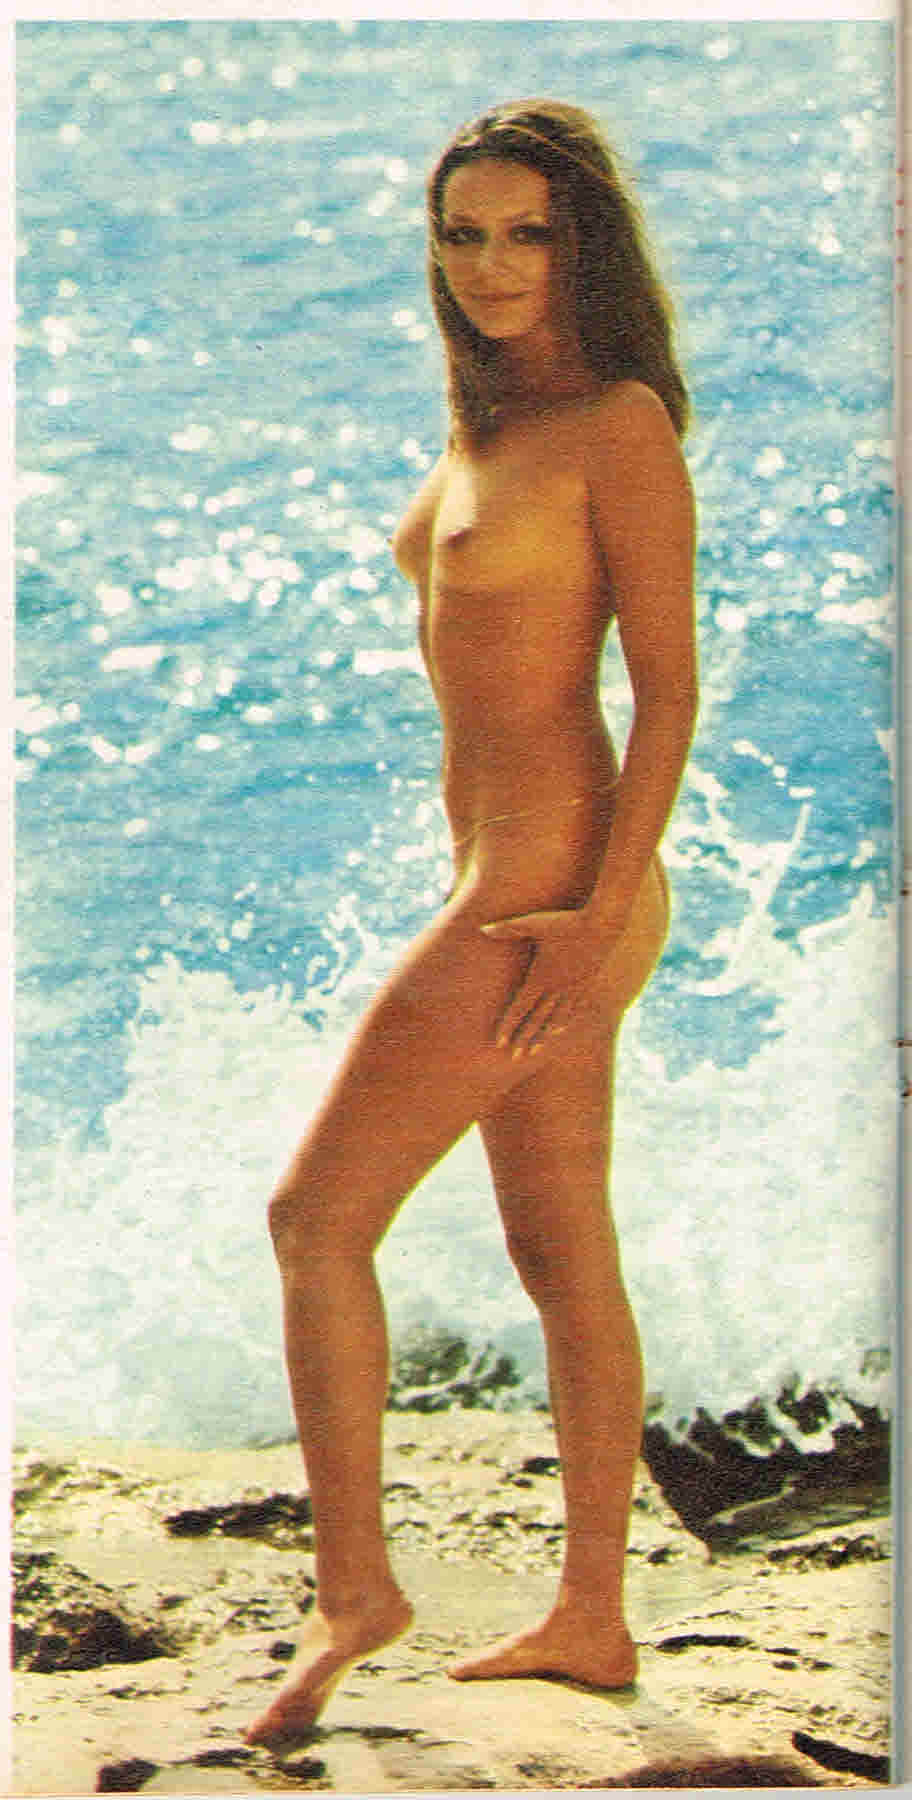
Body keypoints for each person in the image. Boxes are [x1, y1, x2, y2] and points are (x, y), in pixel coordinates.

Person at [246, 98, 698, 1748]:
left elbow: (669, 694)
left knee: (315, 1220)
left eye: (526, 232)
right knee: (563, 1251)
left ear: (583, 246)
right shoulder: (490, 426)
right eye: (462, 234)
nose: (491, 263)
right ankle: (592, 1615)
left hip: (550, 895)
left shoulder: (617, 427)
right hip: (513, 886)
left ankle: (355, 1591)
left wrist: (594, 919)